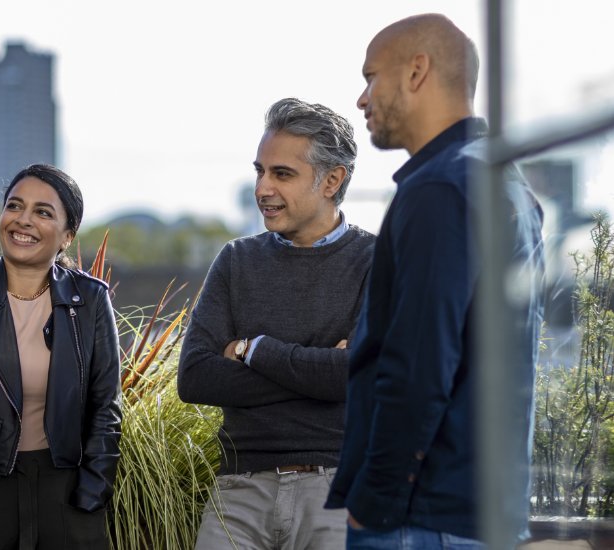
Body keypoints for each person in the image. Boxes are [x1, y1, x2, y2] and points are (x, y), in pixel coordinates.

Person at [324, 14, 545, 549]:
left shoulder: (439, 189)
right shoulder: (506, 184)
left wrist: (373, 504)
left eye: (371, 76)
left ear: (416, 71)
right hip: (482, 511)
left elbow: (419, 365)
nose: (361, 98)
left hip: (419, 520)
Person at [177, 97, 376, 549]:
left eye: (281, 174)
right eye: (259, 171)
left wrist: (254, 351)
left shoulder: (376, 261)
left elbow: (358, 376)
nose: (263, 188)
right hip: (238, 490)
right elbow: (194, 378)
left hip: (335, 491)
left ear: (331, 180)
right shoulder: (235, 260)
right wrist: (321, 371)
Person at [0, 164, 122, 550]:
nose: (23, 220)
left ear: (67, 236)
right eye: (15, 206)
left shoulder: (91, 299)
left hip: (66, 492)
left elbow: (105, 409)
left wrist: (92, 495)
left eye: (43, 212)